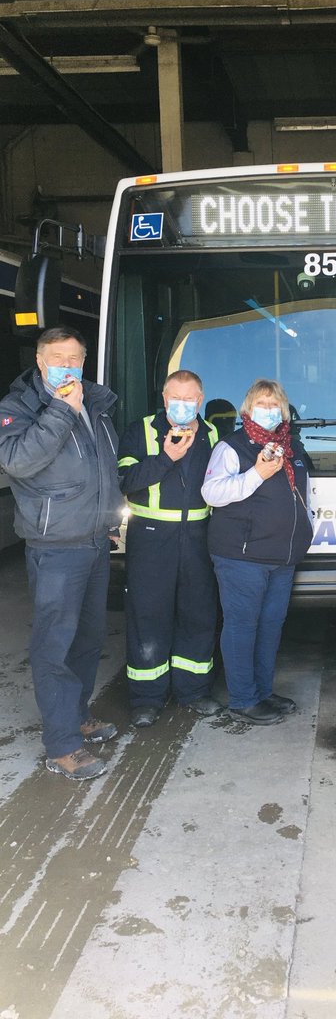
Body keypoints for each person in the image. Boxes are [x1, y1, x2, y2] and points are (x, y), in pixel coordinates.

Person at [0, 326, 124, 781]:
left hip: (93, 540)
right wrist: (60, 410)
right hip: (54, 548)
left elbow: (101, 470)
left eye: (75, 358)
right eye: (58, 357)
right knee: (54, 645)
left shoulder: (95, 403)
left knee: (89, 639)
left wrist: (108, 523)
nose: (68, 366)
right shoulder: (19, 408)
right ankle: (62, 744)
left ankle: (76, 716)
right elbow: (16, 460)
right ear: (39, 361)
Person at [202, 378, 314, 726]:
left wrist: (305, 530)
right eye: (261, 404)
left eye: (274, 404)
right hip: (242, 556)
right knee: (242, 626)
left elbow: (301, 498)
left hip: (281, 557)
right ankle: (243, 699)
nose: (268, 410)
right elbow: (212, 493)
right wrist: (256, 474)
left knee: (270, 626)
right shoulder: (232, 447)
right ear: (247, 410)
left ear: (283, 411)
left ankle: (263, 692)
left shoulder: (290, 447)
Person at [118, 369, 223, 728]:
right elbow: (126, 481)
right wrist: (166, 458)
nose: (183, 404)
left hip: (199, 536)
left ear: (201, 399)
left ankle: (194, 691)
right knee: (148, 616)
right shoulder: (140, 430)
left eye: (190, 398)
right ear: (164, 399)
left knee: (199, 613)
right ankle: (147, 697)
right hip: (150, 536)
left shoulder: (212, 433)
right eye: (175, 398)